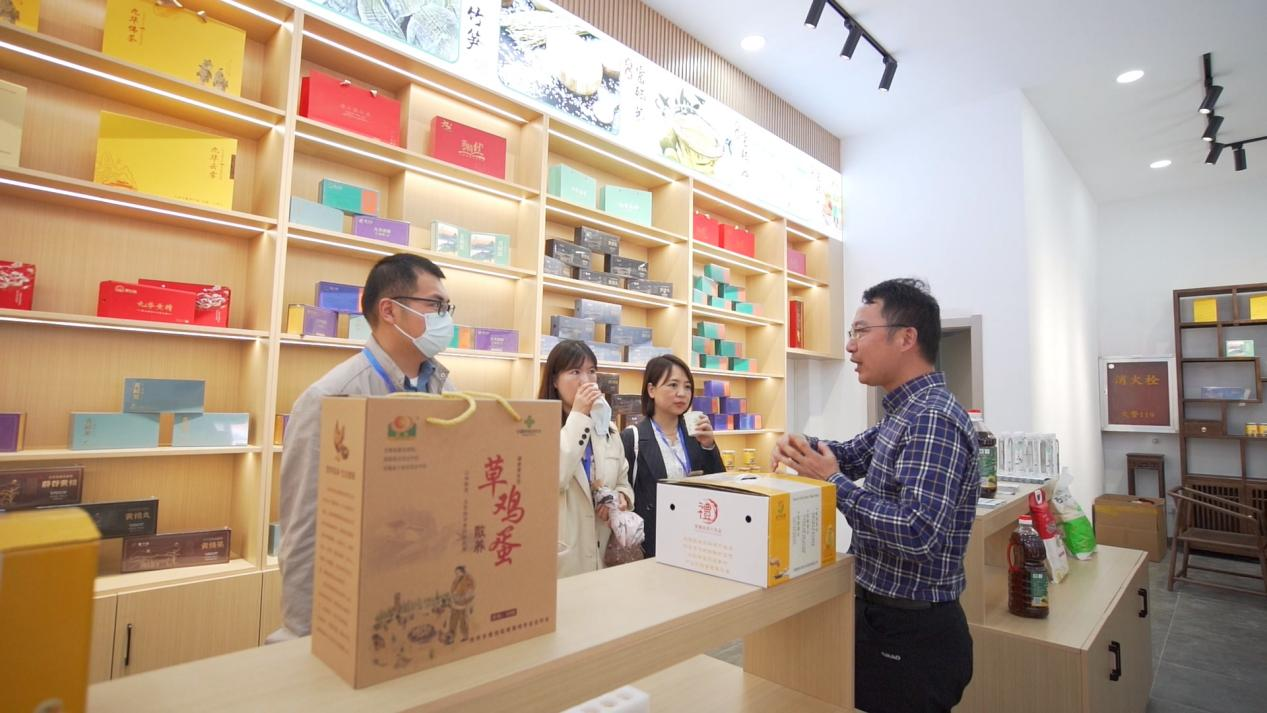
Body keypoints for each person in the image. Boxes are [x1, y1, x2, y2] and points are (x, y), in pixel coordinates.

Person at [773, 278, 978, 713]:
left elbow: (918, 532)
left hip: (912, 631)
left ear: (906, 337)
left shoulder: (932, 419)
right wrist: (801, 446)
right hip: (886, 619)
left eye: (861, 331)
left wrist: (833, 482)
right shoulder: (903, 414)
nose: (850, 346)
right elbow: (848, 455)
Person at [273, 254, 457, 641]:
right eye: (435, 305)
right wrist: (305, 634)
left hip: (426, 594)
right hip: (352, 603)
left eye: (447, 308)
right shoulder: (330, 398)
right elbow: (304, 530)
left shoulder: (446, 389)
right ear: (389, 311)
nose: (445, 319)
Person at [539, 339, 633, 577]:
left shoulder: (608, 429)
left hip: (604, 554)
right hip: (562, 558)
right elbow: (555, 478)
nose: (586, 381)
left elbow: (623, 481)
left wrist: (622, 497)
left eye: (591, 371)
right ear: (554, 380)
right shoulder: (539, 428)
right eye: (575, 372)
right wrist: (579, 414)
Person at [621, 354, 726, 557]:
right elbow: (625, 492)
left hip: (696, 537)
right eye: (673, 385)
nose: (682, 393)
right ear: (651, 390)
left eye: (687, 387)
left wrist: (709, 446)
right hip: (653, 543)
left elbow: (720, 486)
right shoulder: (632, 438)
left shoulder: (695, 433)